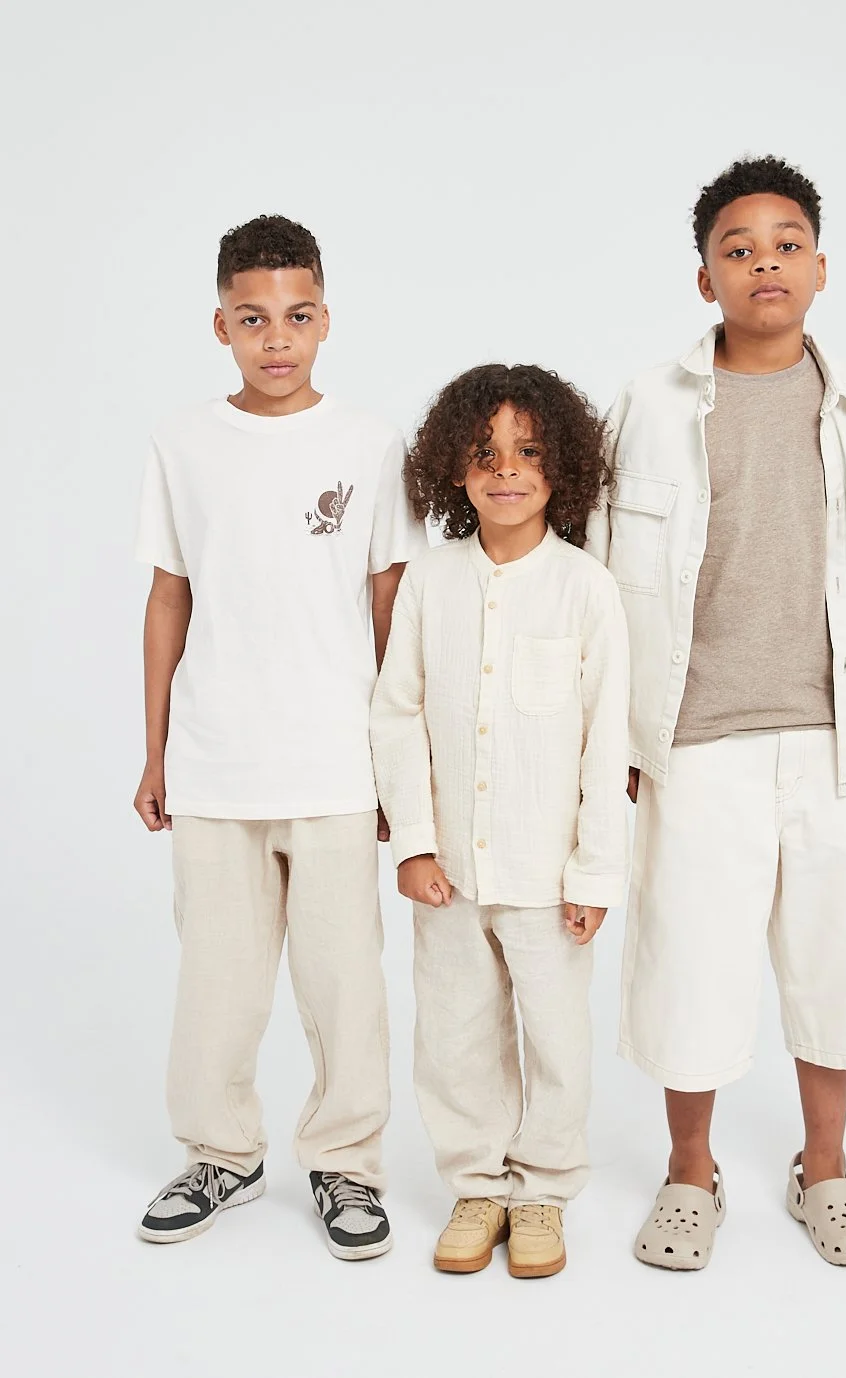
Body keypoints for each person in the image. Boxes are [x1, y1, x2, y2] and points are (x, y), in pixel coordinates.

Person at [587, 156, 846, 1269]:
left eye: (785, 242)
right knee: (689, 965)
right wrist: (606, 736)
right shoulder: (651, 405)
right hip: (693, 737)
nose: (763, 259)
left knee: (838, 961)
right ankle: (689, 1172)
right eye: (737, 246)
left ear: (820, 267)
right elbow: (595, 574)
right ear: (704, 277)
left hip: (833, 740)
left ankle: (827, 1167)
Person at [133, 214, 428, 1258]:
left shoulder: (366, 442)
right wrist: (157, 748)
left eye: (297, 317)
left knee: (345, 979)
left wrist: (403, 757)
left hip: (337, 758)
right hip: (216, 759)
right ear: (220, 325)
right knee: (216, 976)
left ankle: (347, 1166)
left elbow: (392, 601)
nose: (276, 338)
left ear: (325, 320)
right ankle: (222, 1151)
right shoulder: (183, 441)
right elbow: (169, 597)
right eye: (253, 319)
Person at [370, 364, 629, 1278]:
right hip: (447, 875)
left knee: (559, 1038)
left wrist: (596, 874)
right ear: (453, 468)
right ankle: (477, 1185)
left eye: (528, 453)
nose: (507, 471)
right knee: (455, 1034)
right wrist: (412, 842)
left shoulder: (587, 590)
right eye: (485, 455)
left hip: (548, 875)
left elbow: (608, 744)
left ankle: (545, 1191)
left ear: (564, 468)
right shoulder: (430, 585)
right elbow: (395, 712)